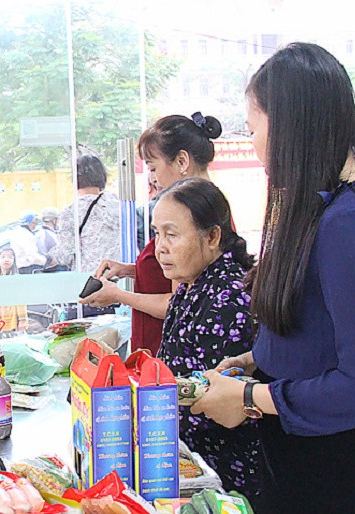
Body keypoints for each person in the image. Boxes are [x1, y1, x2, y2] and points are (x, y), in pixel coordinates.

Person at [192, 43, 355, 513]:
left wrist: (250, 396)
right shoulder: (327, 207)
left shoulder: (351, 223)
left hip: (333, 469)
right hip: (302, 455)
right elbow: (323, 332)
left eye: (254, 127)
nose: (255, 143)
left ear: (290, 124)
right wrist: (260, 361)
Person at [153, 177, 263, 503]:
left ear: (213, 236)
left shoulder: (228, 298)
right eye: (157, 234)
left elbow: (215, 402)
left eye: (172, 235)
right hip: (194, 460)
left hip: (223, 476)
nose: (160, 246)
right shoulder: (191, 285)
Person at [82, 113, 222, 356]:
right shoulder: (193, 207)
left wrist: (118, 295)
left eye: (153, 167)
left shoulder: (196, 212)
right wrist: (129, 270)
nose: (152, 178)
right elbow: (186, 274)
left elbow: (182, 301)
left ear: (181, 161)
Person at [50, 154, 120, 274]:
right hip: (119, 275)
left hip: (90, 277)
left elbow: (65, 254)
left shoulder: (72, 211)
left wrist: (50, 256)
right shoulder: (117, 205)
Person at [0, 246, 28, 333]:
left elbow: (21, 300)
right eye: (3, 257)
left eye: (10, 257)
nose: (6, 259)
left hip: (13, 316)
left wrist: (22, 319)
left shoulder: (17, 279)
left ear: (14, 261)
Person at [9, 209, 47, 274]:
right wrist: (47, 262)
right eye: (35, 221)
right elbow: (32, 256)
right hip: (28, 269)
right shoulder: (24, 235)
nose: (36, 224)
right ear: (29, 222)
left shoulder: (20, 232)